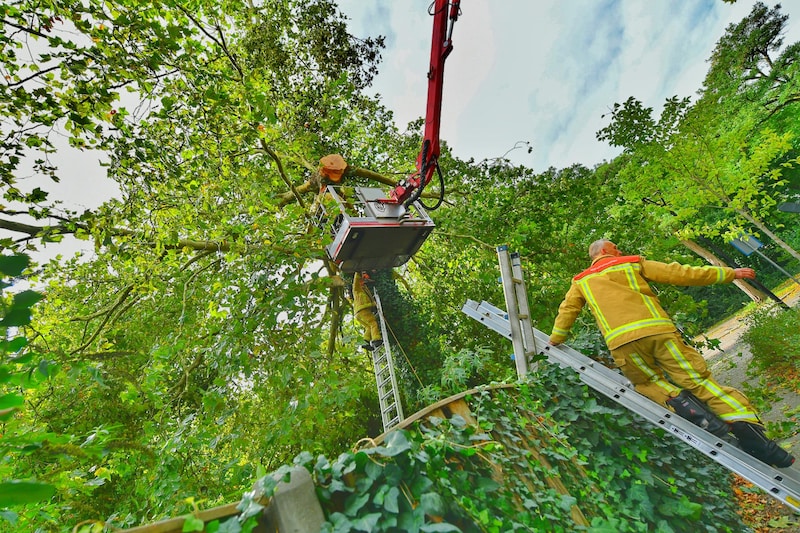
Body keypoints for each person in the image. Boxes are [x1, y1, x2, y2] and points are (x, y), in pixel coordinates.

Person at [549, 239, 794, 468]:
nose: (620, 252)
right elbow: (680, 273)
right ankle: (757, 440)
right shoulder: (631, 263)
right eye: (616, 248)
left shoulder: (581, 281)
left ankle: (701, 420)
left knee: (650, 383)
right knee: (698, 381)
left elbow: (567, 310)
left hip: (622, 344)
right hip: (659, 333)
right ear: (603, 251)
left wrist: (555, 340)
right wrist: (729, 274)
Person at [352, 272, 383, 352]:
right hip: (362, 310)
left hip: (359, 313)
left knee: (368, 327)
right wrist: (357, 272)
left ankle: (365, 342)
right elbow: (356, 282)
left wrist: (373, 304)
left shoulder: (363, 292)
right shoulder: (357, 290)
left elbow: (369, 300)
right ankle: (376, 340)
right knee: (373, 323)